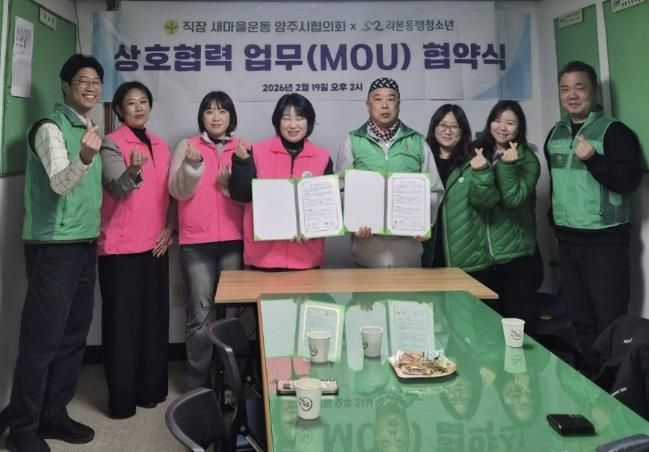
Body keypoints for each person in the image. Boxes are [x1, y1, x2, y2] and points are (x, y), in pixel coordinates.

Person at [0, 54, 104, 452]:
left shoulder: (88, 128)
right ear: (65, 85)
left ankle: (53, 414)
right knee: (41, 339)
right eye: (82, 80)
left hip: (84, 243)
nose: (90, 87)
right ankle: (22, 427)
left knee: (73, 335)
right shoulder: (49, 128)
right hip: (53, 247)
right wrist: (85, 156)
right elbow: (61, 182)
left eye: (96, 81)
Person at [545, 61, 642, 362]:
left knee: (610, 321)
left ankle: (614, 383)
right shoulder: (556, 133)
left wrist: (593, 160)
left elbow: (629, 182)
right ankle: (591, 378)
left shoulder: (615, 132)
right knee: (580, 319)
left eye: (579, 87)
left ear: (594, 91)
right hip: (568, 241)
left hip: (605, 242)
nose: (572, 95)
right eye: (565, 89)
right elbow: (557, 184)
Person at [97, 81, 174, 418]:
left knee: (154, 322)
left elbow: (172, 193)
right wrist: (134, 169)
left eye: (144, 101)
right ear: (119, 110)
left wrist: (170, 226)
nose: (139, 107)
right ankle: (122, 401)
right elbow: (117, 187)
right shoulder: (111, 143)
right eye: (131, 103)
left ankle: (151, 390)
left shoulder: (161, 144)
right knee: (122, 327)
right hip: (121, 248)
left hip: (156, 245)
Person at [168, 91, 245, 390]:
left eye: (222, 111)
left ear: (231, 116)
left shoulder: (242, 148)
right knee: (200, 318)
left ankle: (231, 388)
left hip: (233, 243)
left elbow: (249, 199)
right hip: (196, 245)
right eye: (209, 111)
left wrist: (228, 186)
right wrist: (191, 166)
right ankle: (198, 388)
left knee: (232, 318)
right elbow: (177, 191)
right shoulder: (187, 146)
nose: (216, 117)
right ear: (201, 116)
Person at [335, 77, 444, 268]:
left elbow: (434, 190)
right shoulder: (353, 141)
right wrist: (352, 221)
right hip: (367, 249)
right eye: (377, 99)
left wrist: (426, 223)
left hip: (408, 250)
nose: (384, 105)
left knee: (409, 288)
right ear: (368, 105)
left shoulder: (417, 141)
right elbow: (341, 188)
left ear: (398, 104)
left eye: (391, 99)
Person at [229, 92, 334, 270]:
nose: (293, 125)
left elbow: (326, 207)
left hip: (306, 257)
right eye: (286, 118)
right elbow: (241, 195)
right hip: (264, 258)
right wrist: (242, 164)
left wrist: (314, 230)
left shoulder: (322, 157)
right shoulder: (257, 151)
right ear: (278, 122)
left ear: (308, 122)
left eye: (299, 118)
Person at [467, 100, 542, 331]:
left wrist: (508, 167)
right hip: (483, 258)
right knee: (486, 329)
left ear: (519, 128)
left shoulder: (528, 159)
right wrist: (482, 170)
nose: (502, 127)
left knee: (519, 328)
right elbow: (478, 201)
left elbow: (512, 199)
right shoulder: (478, 153)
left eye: (510, 123)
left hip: (516, 257)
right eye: (497, 120)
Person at [421, 104, 472, 268]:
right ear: (434, 128)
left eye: (454, 126)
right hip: (426, 243)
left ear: (462, 131)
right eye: (442, 125)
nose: (447, 131)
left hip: (461, 246)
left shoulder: (472, 164)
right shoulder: (421, 161)